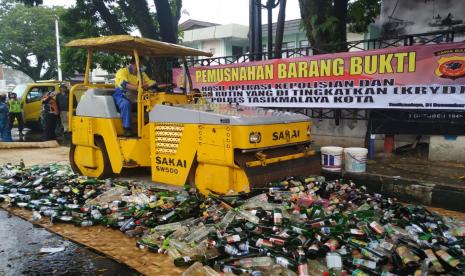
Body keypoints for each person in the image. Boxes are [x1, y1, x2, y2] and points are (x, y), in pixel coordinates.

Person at [113, 57, 156, 137]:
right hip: (121, 96)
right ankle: (127, 128)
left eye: (142, 65)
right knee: (125, 104)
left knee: (151, 103)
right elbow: (124, 84)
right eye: (139, 65)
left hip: (136, 97)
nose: (141, 67)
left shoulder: (141, 74)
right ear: (133, 64)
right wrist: (139, 87)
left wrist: (154, 84)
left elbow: (150, 82)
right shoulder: (122, 72)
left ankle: (148, 126)